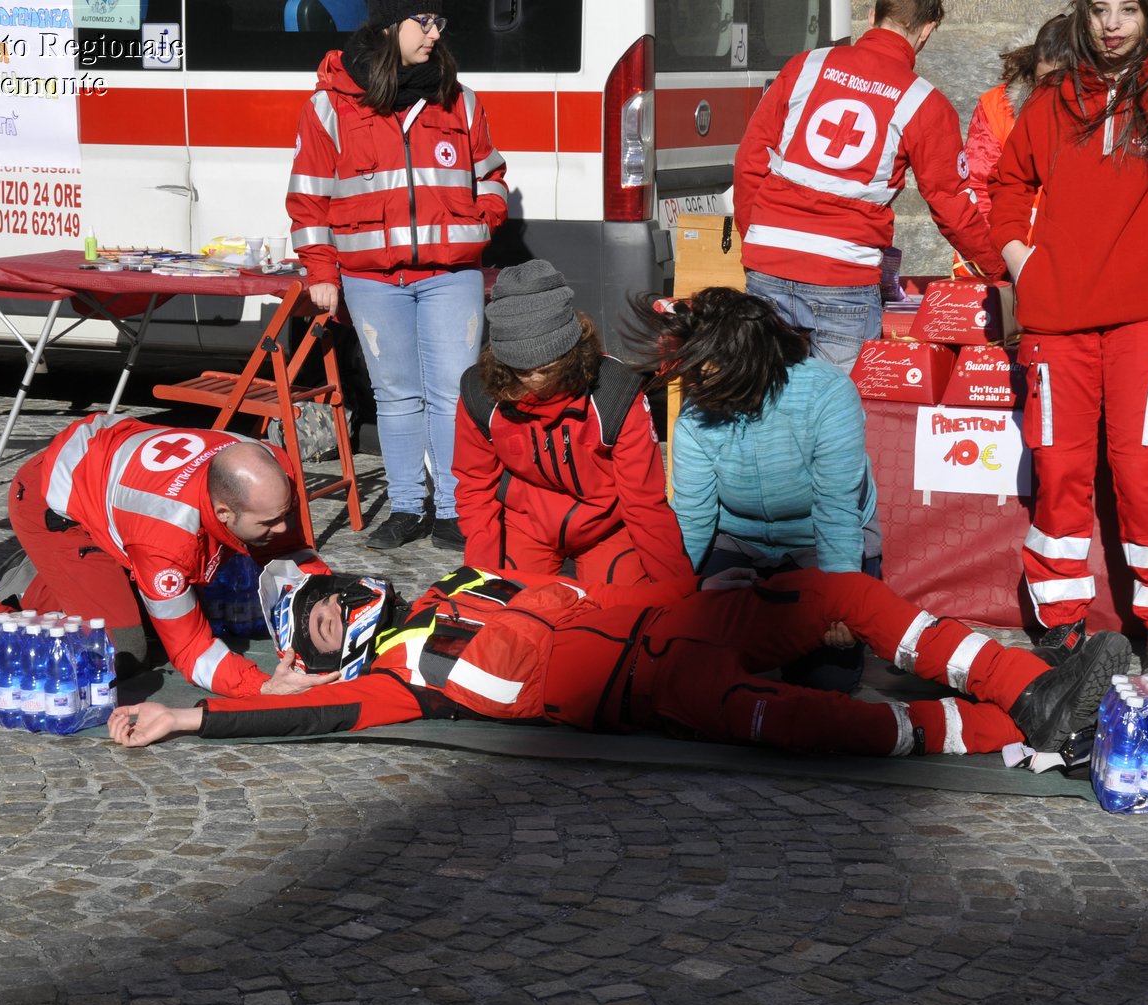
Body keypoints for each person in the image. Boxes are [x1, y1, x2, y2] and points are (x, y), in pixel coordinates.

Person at [108, 563, 1132, 770]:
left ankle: (1030, 688)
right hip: (660, 691)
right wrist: (188, 717)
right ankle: (1024, 719)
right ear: (315, 651)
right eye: (312, 622)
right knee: (843, 728)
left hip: (688, 615)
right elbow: (309, 718)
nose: (326, 606)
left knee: (845, 596)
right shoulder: (396, 675)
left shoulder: (461, 579)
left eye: (323, 590)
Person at [991, 0, 1148, 676]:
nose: (1113, 23)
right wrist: (1020, 260)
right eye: (1100, 9)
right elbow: (1009, 182)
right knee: (1060, 470)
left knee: (1140, 471)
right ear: (1084, 15)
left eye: (1129, 9)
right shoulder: (1056, 97)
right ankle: (1059, 622)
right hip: (1057, 319)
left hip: (1145, 316)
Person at [286, 0, 508, 551]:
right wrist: (321, 269)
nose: (434, 34)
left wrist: (479, 227)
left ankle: (455, 510)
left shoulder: (461, 99)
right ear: (389, 25)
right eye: (423, 22)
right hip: (372, 280)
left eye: (441, 23)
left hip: (449, 276)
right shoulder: (329, 105)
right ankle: (409, 507)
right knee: (396, 397)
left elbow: (493, 179)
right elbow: (309, 198)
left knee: (453, 395)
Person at [0, 414, 324, 698]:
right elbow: (192, 650)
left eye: (286, 513)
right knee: (118, 651)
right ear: (223, 512)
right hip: (52, 503)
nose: (285, 526)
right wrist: (262, 687)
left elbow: (290, 552)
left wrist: (331, 596)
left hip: (104, 478)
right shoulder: (166, 541)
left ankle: (42, 577)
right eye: (272, 521)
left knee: (157, 605)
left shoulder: (271, 471)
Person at [731, 0, 1006, 371]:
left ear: (873, 15)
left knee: (761, 406)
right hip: (843, 279)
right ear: (927, 30)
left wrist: (758, 240)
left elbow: (751, 160)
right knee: (838, 416)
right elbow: (951, 204)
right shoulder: (925, 103)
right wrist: (999, 270)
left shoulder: (805, 67)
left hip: (768, 267)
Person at [626, 287, 879, 691]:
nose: (700, 387)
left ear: (749, 361)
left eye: (710, 371)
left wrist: (841, 602)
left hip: (817, 540)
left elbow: (837, 507)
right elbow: (692, 516)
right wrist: (677, 595)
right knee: (689, 663)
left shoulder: (828, 393)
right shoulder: (695, 413)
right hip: (736, 540)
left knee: (825, 681)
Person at [453, 260, 691, 585]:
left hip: (606, 528)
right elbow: (475, 487)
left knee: (618, 619)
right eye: (521, 370)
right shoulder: (479, 393)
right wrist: (480, 581)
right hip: (525, 525)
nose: (535, 379)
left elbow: (644, 502)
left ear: (571, 353)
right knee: (512, 614)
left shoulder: (615, 393)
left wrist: (681, 591)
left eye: (547, 368)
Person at [962, 14, 1071, 234]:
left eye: (1060, 82)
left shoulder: (1101, 113)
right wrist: (1005, 255)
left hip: (1064, 251)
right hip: (1007, 249)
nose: (1050, 92)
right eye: (1043, 81)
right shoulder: (996, 107)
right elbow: (978, 187)